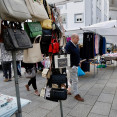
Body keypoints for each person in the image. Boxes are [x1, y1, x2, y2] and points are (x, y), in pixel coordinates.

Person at [65, 33, 84, 102]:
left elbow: (77, 54)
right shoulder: (68, 45)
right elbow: (66, 56)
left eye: (78, 38)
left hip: (75, 65)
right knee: (75, 80)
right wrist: (72, 65)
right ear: (72, 38)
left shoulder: (75, 45)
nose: (78, 39)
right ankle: (76, 94)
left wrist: (78, 62)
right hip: (71, 66)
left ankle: (67, 89)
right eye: (77, 38)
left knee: (70, 79)